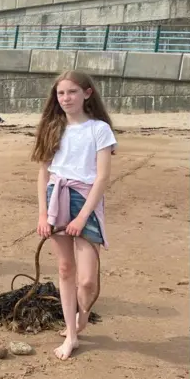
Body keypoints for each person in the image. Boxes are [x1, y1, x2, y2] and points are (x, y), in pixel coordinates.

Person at [32, 69, 117, 361]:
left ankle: (84, 314)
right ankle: (71, 334)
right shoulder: (52, 127)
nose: (66, 98)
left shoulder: (99, 129)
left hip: (86, 200)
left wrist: (82, 216)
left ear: (87, 93)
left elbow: (103, 177)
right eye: (61, 93)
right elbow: (43, 173)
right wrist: (43, 215)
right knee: (66, 270)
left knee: (88, 281)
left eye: (72, 92)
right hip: (56, 197)